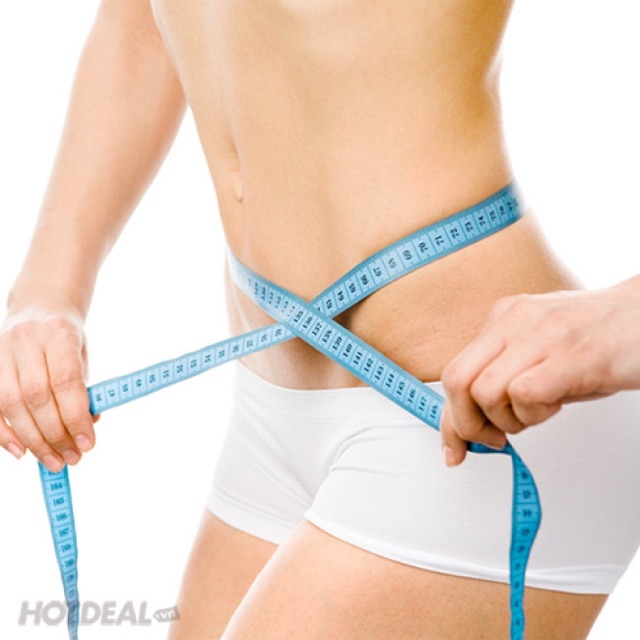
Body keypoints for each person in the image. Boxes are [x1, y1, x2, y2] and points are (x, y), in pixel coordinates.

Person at [1, 1, 640, 638]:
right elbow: (137, 24)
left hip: (468, 416)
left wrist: (628, 310)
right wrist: (47, 289)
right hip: (266, 416)